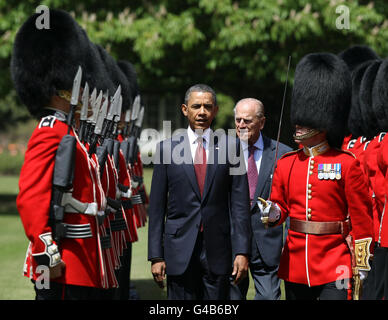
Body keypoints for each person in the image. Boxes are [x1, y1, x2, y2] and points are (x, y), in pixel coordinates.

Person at [12, 9, 115, 299]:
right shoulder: (50, 131)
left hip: (84, 259)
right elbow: (31, 195)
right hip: (63, 262)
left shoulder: (69, 133)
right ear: (60, 89)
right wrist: (46, 251)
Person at [259, 53, 374, 300]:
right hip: (295, 264)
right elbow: (281, 207)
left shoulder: (346, 163)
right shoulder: (286, 163)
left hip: (335, 263)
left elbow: (361, 218)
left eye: (305, 121)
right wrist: (273, 212)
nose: (297, 125)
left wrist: (362, 262)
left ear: (323, 121)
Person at [147, 84, 251, 300]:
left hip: (218, 250)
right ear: (185, 109)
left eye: (207, 106)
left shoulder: (232, 147)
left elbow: (240, 205)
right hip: (178, 250)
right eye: (196, 106)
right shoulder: (166, 149)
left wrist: (242, 251)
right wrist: (156, 255)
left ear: (216, 110)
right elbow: (157, 208)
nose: (202, 112)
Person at [229, 98, 291, 300]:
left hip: (268, 247)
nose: (241, 125)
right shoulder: (222, 154)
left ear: (262, 122)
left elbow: (291, 203)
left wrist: (288, 240)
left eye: (247, 121)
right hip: (231, 245)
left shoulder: (283, 154)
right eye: (237, 120)